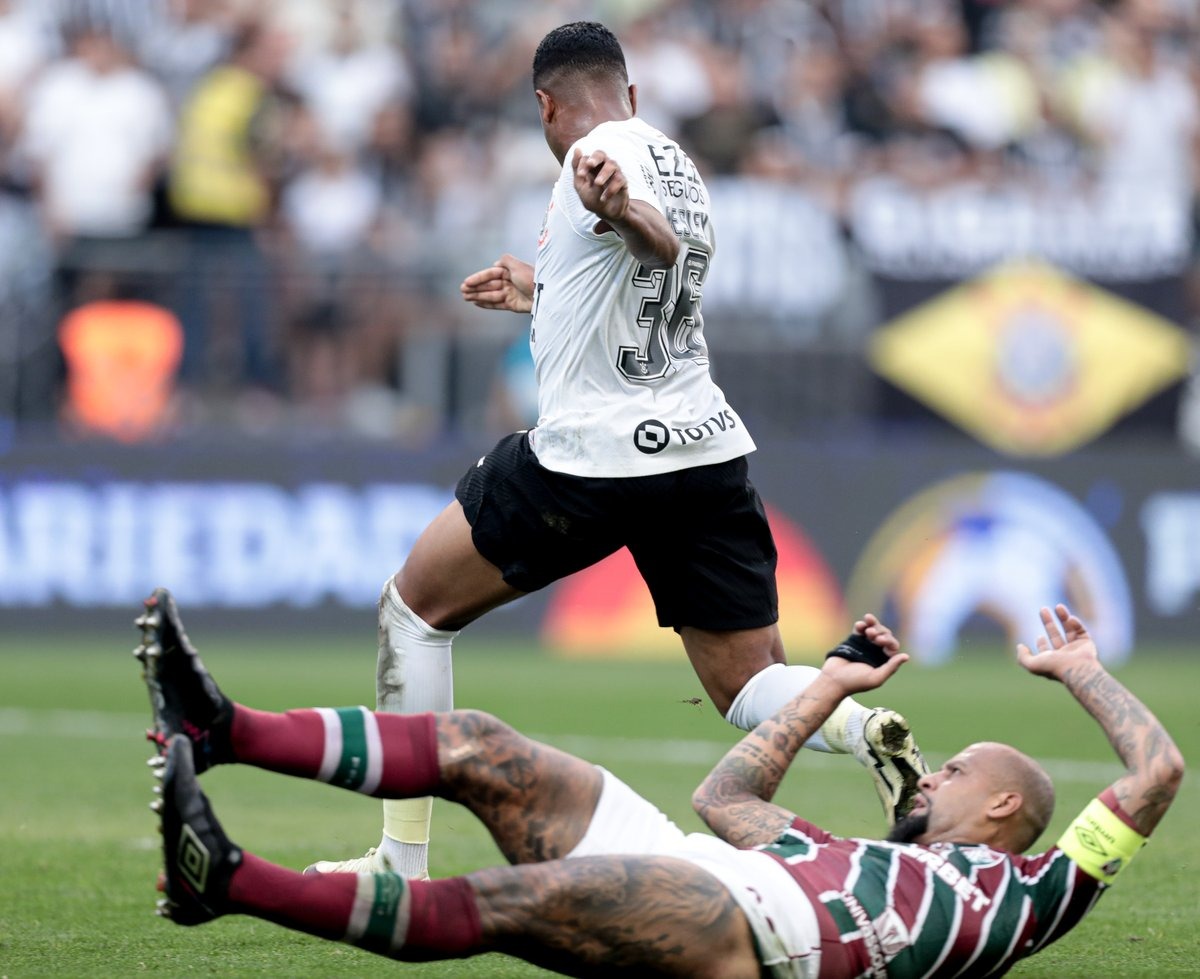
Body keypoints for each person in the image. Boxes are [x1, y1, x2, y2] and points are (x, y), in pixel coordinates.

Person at [311, 19, 928, 880]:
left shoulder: (591, 159)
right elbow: (648, 287)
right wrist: (542, 294)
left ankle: (399, 861)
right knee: (750, 688)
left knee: (413, 613)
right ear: (632, 92)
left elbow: (652, 241)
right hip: (704, 453)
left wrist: (619, 208)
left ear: (544, 105)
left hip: (593, 462)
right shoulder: (681, 160)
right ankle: (864, 727)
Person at [139, 589, 1183, 978]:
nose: (928, 773)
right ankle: (220, 729)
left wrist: (1082, 671)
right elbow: (724, 799)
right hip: (706, 868)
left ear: (1003, 807)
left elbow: (1161, 769)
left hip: (753, 937)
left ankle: (225, 882)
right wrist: (826, 685)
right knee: (479, 743)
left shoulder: (1035, 890)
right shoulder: (851, 852)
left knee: (506, 903)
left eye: (953, 770)